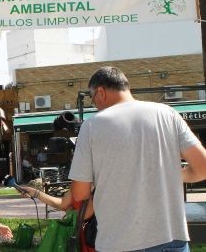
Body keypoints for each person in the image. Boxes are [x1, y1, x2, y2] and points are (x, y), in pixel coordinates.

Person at [69, 66, 206, 251]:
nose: (96, 106)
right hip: (171, 238)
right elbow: (203, 167)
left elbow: (80, 193)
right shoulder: (167, 113)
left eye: (93, 100)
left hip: (118, 242)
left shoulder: (92, 126)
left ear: (100, 91)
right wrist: (172, 174)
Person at [19, 187, 95, 252]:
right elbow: (63, 204)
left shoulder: (98, 181)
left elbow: (86, 213)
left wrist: (70, 211)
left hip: (96, 237)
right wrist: (36, 193)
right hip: (81, 235)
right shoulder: (79, 180)